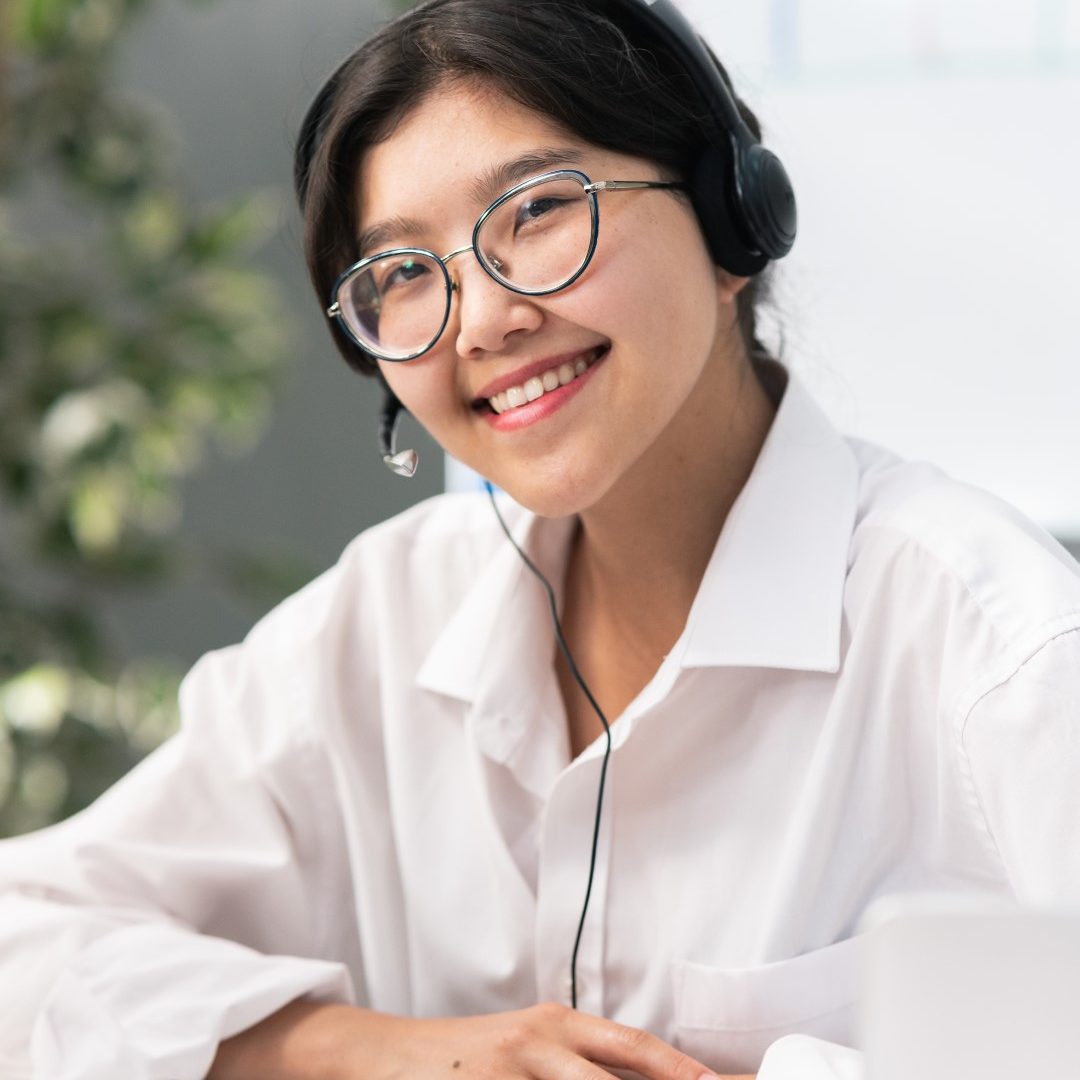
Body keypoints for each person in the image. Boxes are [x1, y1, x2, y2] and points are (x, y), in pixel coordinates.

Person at [2, 1, 1079, 1078]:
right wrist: (364, 1052)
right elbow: (27, 939)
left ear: (730, 219)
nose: (480, 321)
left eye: (537, 211)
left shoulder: (1005, 656)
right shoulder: (384, 622)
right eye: (402, 275)